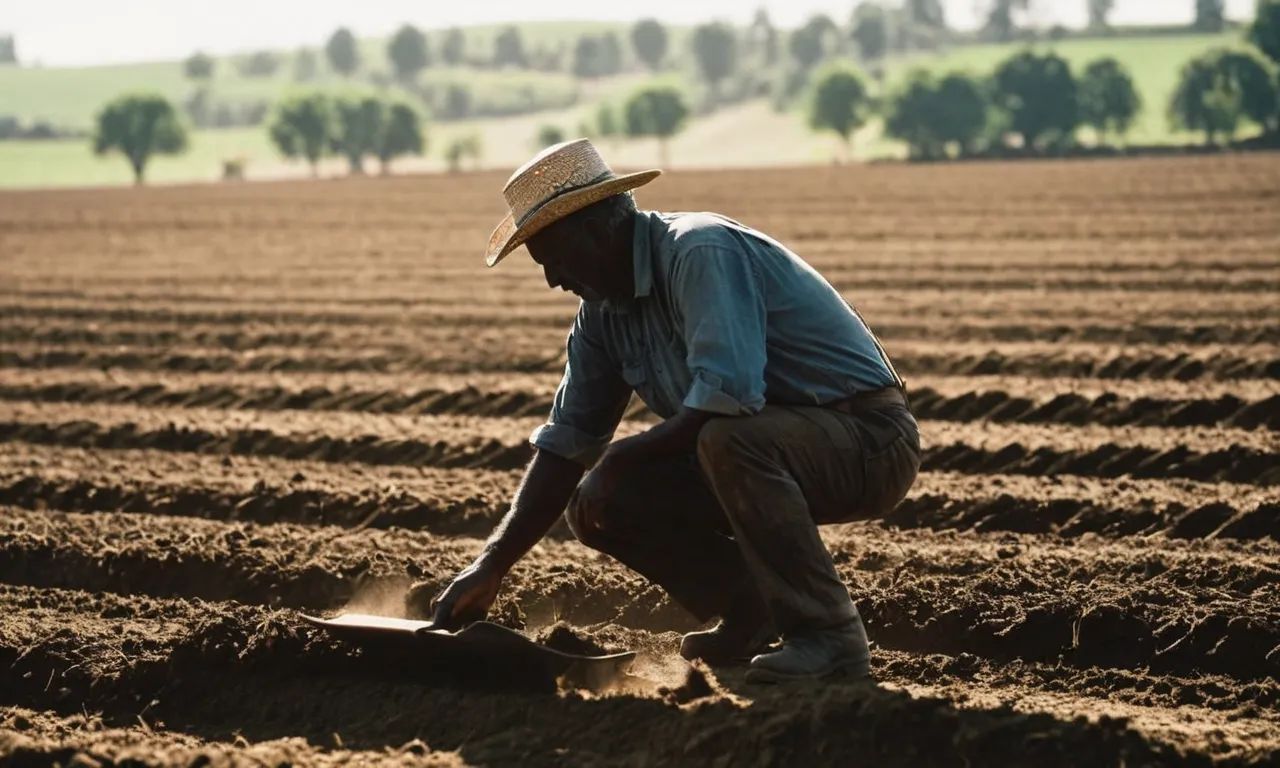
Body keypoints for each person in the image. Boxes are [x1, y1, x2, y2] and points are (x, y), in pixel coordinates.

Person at [430, 139, 921, 683]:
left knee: (725, 439)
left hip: (868, 440)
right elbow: (568, 442)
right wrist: (491, 565)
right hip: (776, 447)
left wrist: (617, 458)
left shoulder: (699, 252)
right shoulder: (601, 315)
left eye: (555, 258)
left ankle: (829, 637)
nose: (552, 279)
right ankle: (748, 610)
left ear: (598, 227)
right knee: (599, 500)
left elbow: (727, 400)